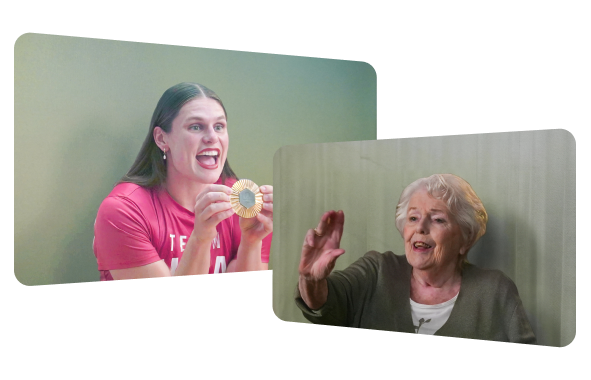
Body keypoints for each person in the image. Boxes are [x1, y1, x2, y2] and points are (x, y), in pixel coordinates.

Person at [295, 174, 536, 344]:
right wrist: (311, 279)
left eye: (438, 219)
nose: (420, 227)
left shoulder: (495, 290)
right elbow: (324, 307)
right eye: (413, 218)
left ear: (465, 240)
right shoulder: (377, 270)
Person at [93, 83, 273, 281]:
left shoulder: (242, 207)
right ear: (162, 139)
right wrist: (201, 238)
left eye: (219, 126)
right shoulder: (124, 210)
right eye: (196, 126)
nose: (212, 137)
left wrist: (252, 241)